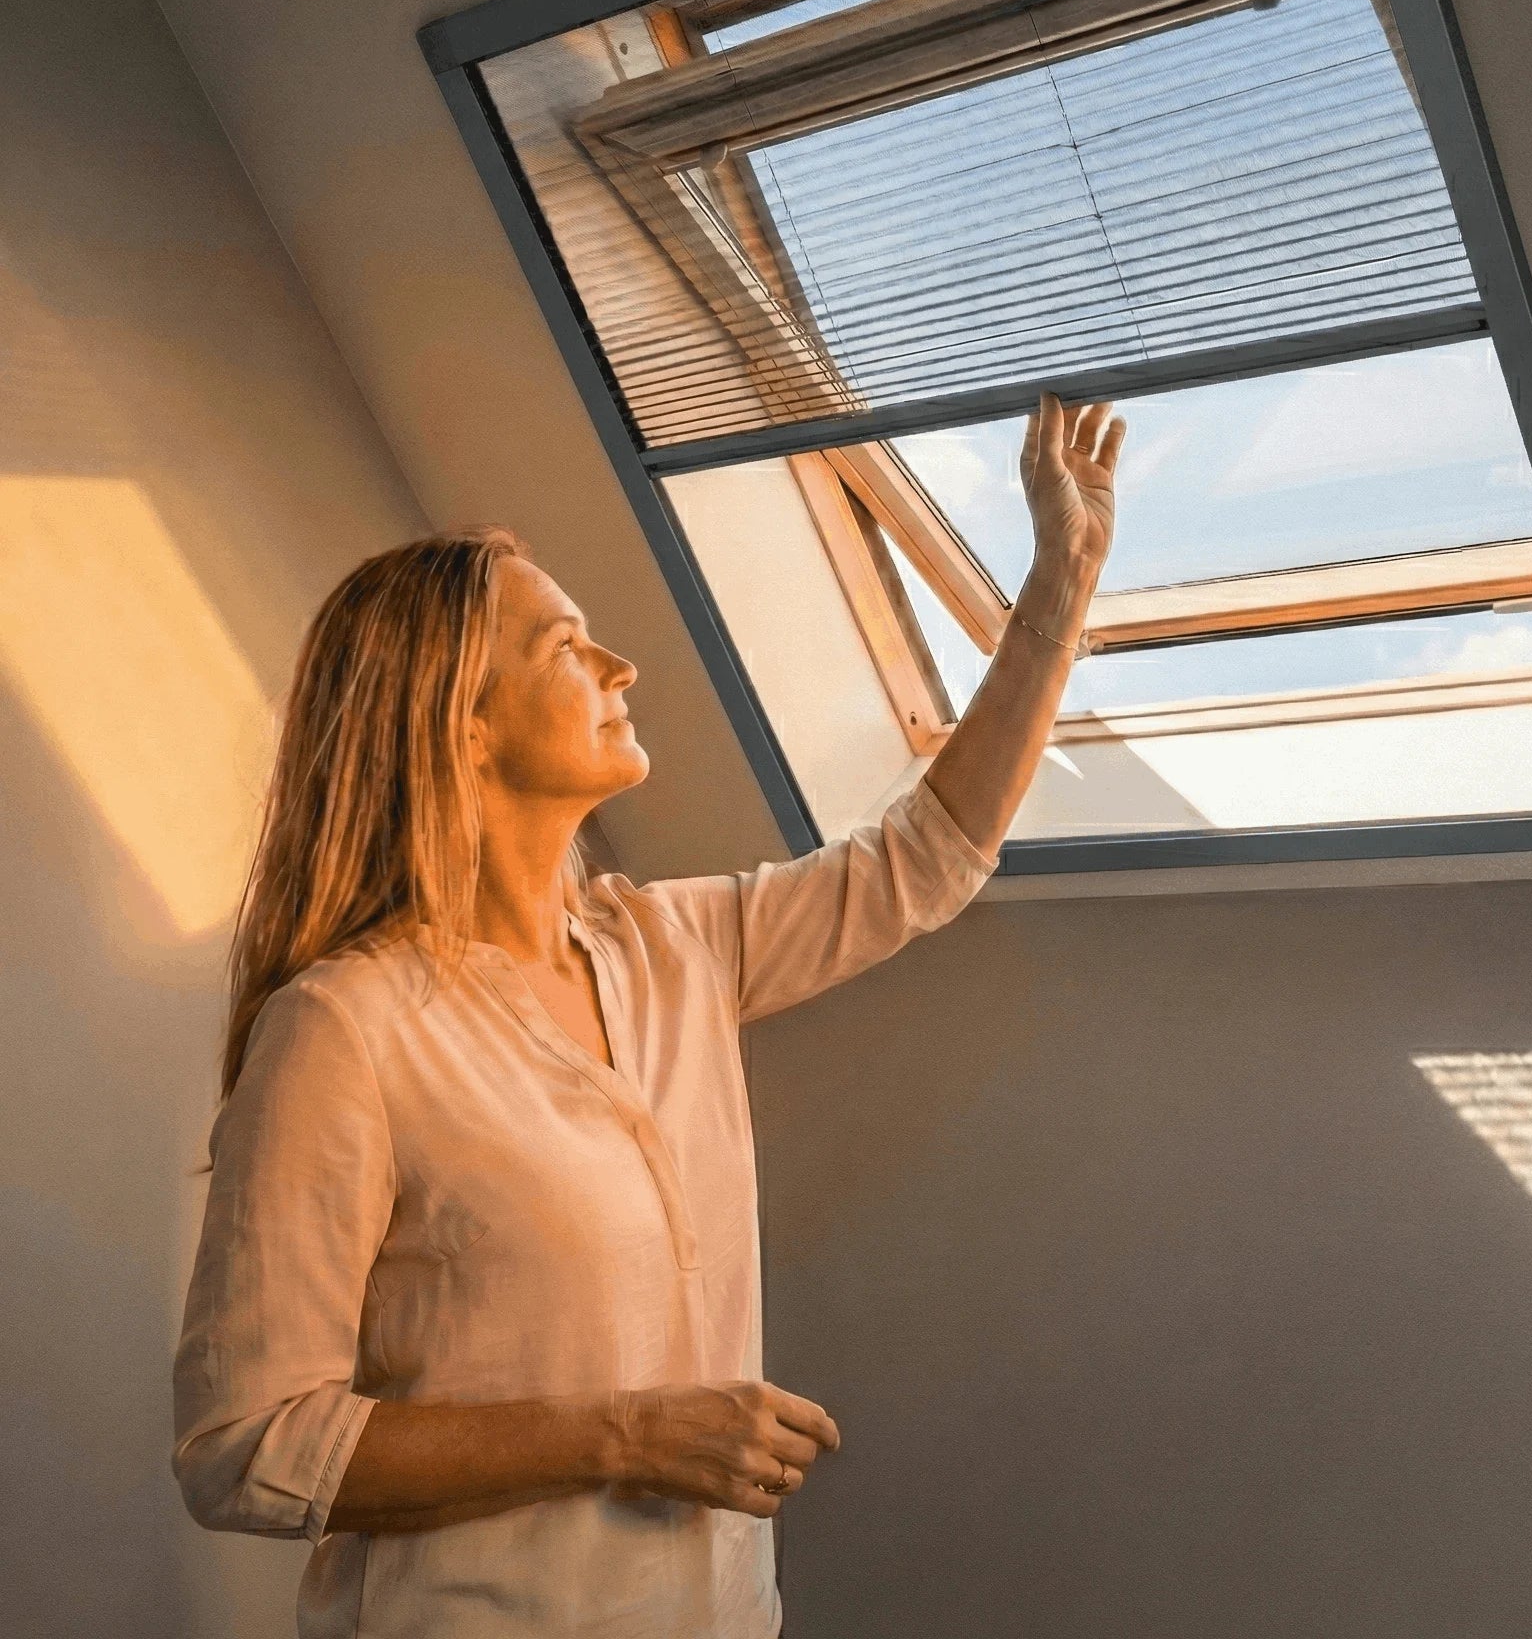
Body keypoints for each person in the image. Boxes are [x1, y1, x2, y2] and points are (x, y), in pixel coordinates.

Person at [174, 393, 1125, 1637]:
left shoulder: (670, 946)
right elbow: (245, 1447)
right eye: (567, 646)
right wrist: (625, 1432)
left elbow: (927, 854)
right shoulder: (344, 1030)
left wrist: (1058, 586)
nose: (621, 665)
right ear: (463, 723)